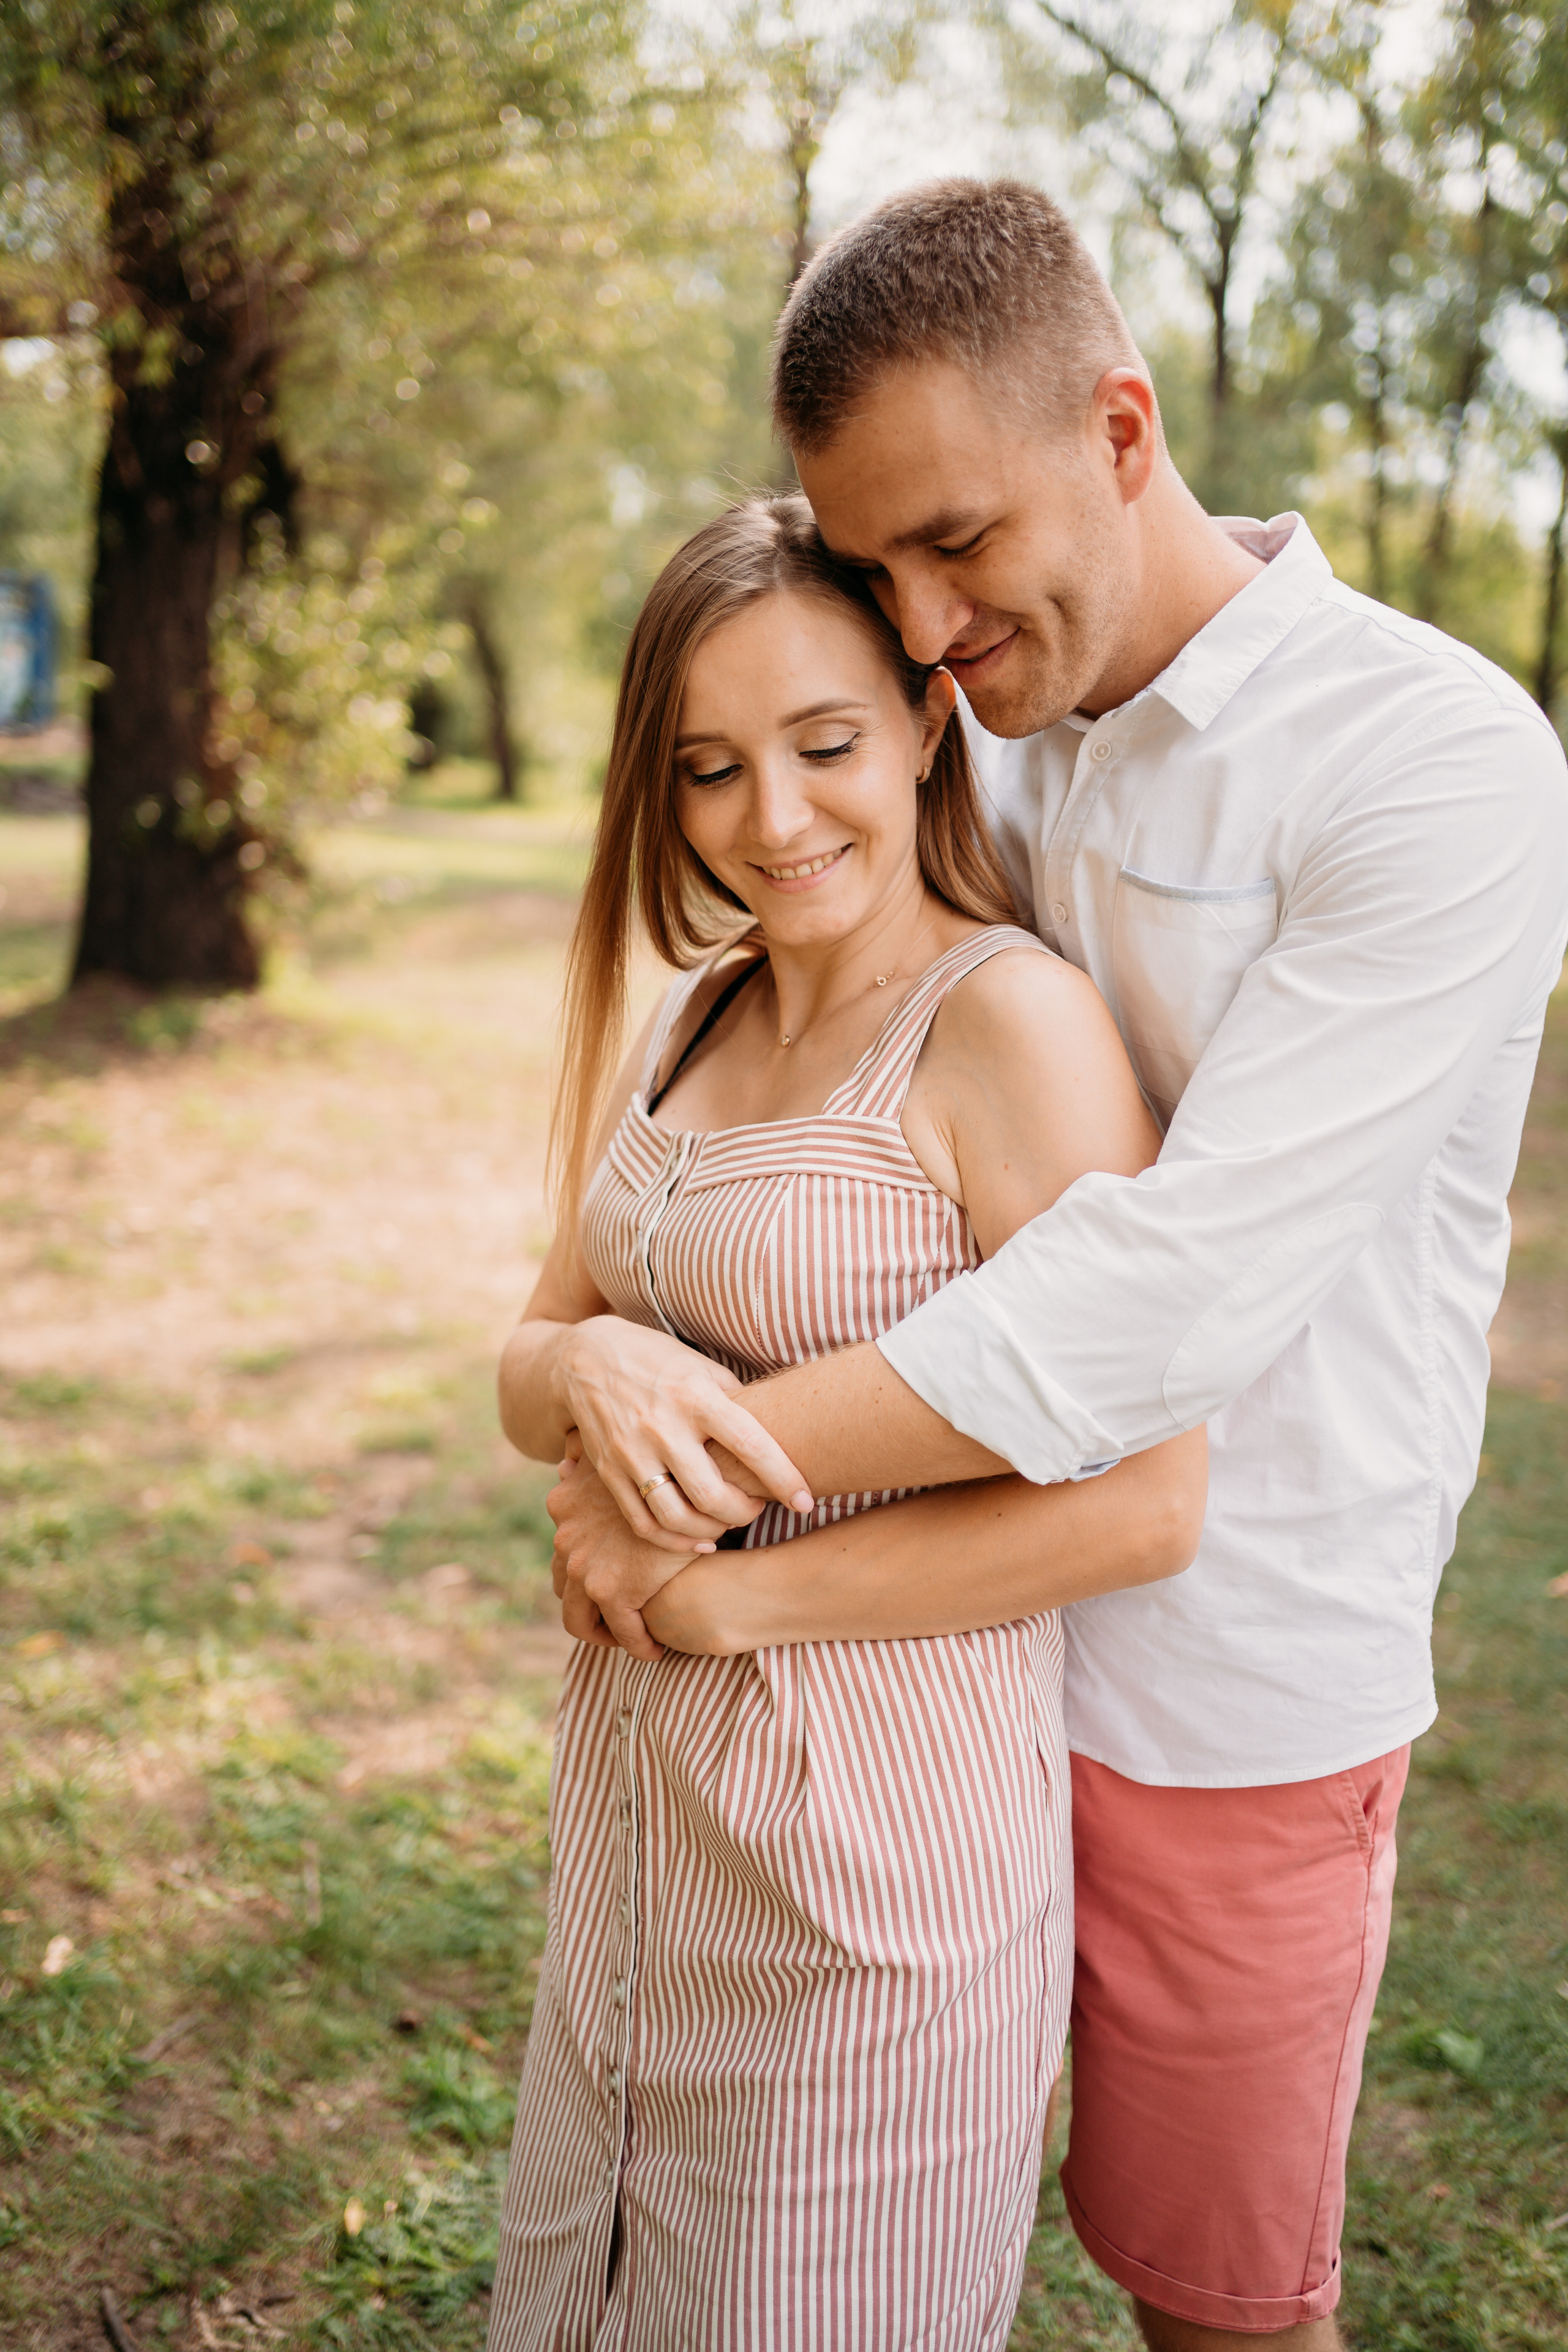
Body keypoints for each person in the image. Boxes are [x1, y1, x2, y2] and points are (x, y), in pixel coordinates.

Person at [538, 182, 1568, 2349]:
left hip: (1223, 1683)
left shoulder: (1433, 763)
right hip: (919, 1666)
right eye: (877, 567)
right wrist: (600, 1363)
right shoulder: (983, 708)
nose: (916, 628)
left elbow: (1163, 1293)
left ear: (1122, 425)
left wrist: (694, 1482)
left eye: (956, 544)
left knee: (1209, 2295)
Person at [486, 495, 1207, 2350]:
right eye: (710, 770)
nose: (773, 821)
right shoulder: (695, 1015)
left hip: (872, 1893)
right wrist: (593, 1372)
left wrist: (728, 1600)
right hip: (644, 1853)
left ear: (918, 720)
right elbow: (530, 1353)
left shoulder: (1008, 1030)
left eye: (821, 747)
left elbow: (1142, 1504)